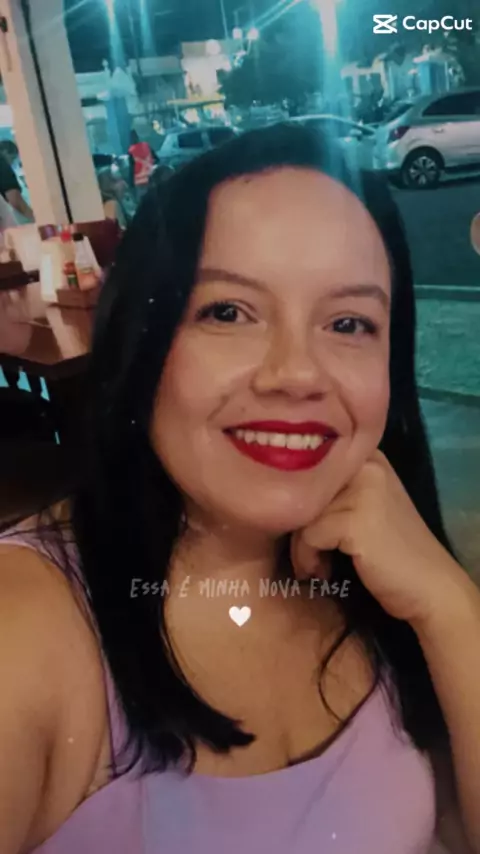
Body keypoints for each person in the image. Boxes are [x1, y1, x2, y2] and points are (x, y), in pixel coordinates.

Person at [0, 124, 479, 854]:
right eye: (227, 312)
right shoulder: (25, 634)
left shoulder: (383, 577)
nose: (297, 373)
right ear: (143, 339)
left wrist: (450, 608)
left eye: (349, 322)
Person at [0, 140, 34, 222]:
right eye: (12, 158)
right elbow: (16, 201)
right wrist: (36, 219)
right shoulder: (2, 163)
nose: (11, 163)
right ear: (5, 152)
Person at [128, 129, 158, 202]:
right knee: (154, 197)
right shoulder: (146, 146)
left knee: (142, 200)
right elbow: (157, 159)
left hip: (139, 180)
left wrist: (131, 182)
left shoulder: (131, 150)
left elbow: (132, 167)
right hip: (150, 176)